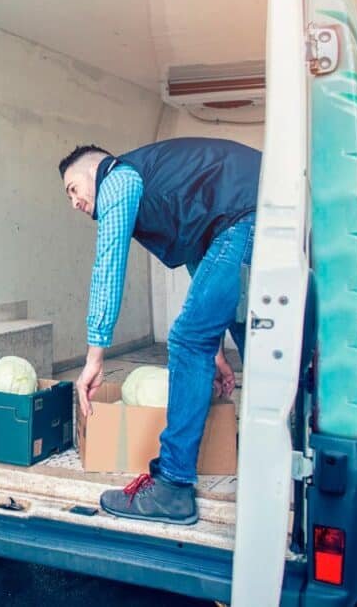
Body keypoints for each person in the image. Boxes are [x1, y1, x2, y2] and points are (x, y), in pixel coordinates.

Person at [58, 137, 259, 525]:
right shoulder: (174, 184)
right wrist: (215, 349)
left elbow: (108, 263)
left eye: (73, 189)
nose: (75, 203)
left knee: (185, 341)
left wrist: (94, 355)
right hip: (260, 213)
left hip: (246, 215)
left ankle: (173, 488)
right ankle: (284, 451)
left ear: (94, 168)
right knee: (257, 336)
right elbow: (203, 256)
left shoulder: (117, 177)